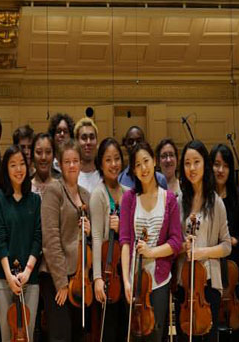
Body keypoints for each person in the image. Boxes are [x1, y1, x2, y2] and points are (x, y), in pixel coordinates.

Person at [119, 141, 183, 342]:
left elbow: (176, 242)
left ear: (154, 161)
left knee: (155, 335)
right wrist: (126, 281)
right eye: (137, 164)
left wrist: (151, 252)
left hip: (160, 280)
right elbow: (125, 241)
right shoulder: (129, 198)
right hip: (134, 278)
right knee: (135, 334)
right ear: (134, 171)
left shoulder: (169, 199)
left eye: (146, 161)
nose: (143, 167)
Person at [173, 140, 230, 342]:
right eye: (187, 163)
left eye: (196, 162)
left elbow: (226, 246)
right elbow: (172, 244)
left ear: (204, 164)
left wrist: (202, 252)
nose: (192, 168)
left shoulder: (216, 202)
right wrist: (182, 247)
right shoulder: (178, 202)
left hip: (209, 282)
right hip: (184, 282)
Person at [40, 139, 91, 342]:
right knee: (61, 335)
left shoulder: (86, 195)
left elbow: (93, 238)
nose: (72, 165)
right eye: (67, 161)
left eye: (75, 161)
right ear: (59, 164)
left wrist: (89, 230)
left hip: (80, 278)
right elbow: (50, 238)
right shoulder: (54, 190)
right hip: (56, 278)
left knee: (78, 335)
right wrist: (61, 283)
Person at [0, 145, 42, 342]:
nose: (19, 169)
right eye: (13, 165)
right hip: (4, 281)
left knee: (26, 336)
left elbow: (38, 238)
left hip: (31, 279)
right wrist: (9, 277)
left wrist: (27, 272)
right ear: (6, 169)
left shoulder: (35, 200)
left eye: (22, 164)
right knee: (7, 336)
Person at [89, 137, 128, 342]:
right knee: (108, 331)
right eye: (108, 160)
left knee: (124, 330)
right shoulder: (98, 195)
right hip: (108, 272)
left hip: (125, 272)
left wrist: (122, 228)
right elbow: (96, 237)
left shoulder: (129, 194)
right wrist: (97, 278)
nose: (114, 164)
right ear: (100, 164)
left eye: (117, 159)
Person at [209, 144, 239, 297]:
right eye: (216, 165)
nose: (220, 170)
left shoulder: (238, 197)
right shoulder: (205, 199)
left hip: (234, 263)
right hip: (211, 262)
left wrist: (233, 241)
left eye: (225, 166)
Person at [74, 117, 101, 194]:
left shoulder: (104, 176)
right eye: (84, 138)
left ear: (96, 142)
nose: (88, 142)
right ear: (76, 142)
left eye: (92, 137)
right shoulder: (71, 176)